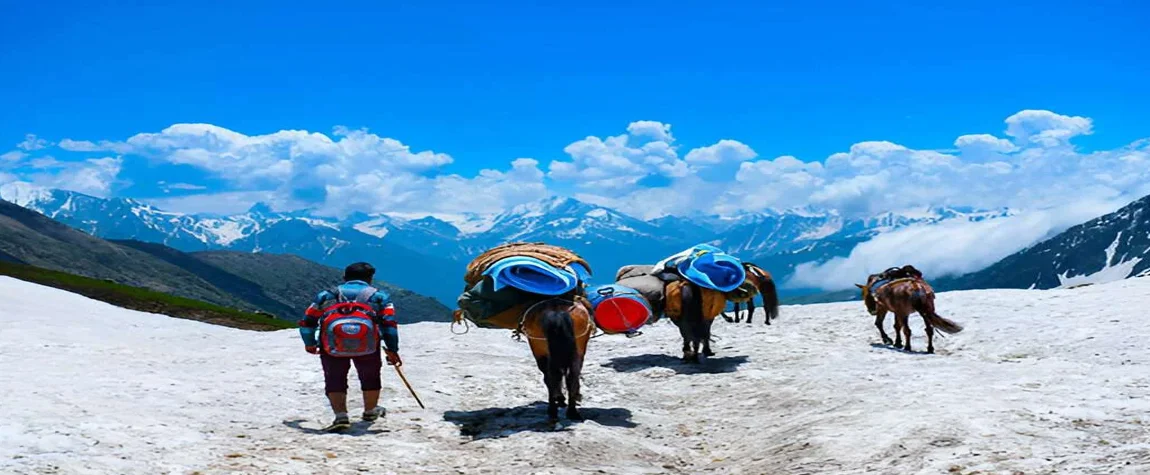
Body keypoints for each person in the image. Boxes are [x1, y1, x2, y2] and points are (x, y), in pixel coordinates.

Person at [299, 262, 402, 432]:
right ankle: (370, 410)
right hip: (368, 345)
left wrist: (309, 342)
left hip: (331, 345)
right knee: (370, 376)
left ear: (345, 278)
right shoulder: (379, 297)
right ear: (370, 279)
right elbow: (389, 324)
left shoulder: (326, 296)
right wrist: (392, 349)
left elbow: (308, 320)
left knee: (334, 377)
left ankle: (341, 416)